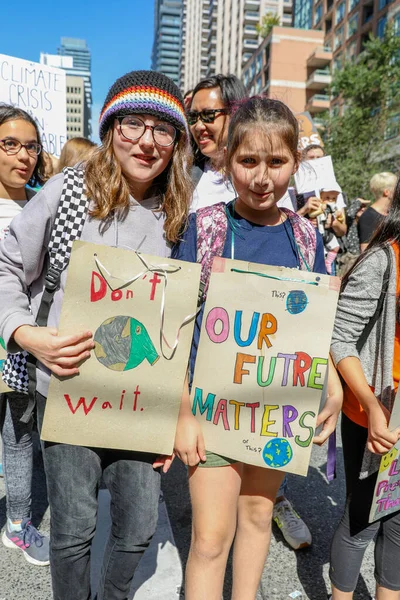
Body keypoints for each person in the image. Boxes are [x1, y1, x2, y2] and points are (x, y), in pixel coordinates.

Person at [0, 70, 192, 600]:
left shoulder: (184, 214)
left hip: (141, 401)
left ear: (177, 143)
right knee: (73, 528)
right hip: (65, 389)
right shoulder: (68, 192)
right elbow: (6, 266)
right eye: (133, 123)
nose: (146, 139)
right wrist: (24, 333)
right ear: (111, 128)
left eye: (163, 129)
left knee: (136, 529)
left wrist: (178, 408)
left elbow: (192, 313)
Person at [173, 96, 343, 599]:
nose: (262, 177)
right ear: (227, 160)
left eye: (277, 162)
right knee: (208, 540)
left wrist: (330, 386)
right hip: (211, 409)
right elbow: (177, 328)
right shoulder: (204, 229)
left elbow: (319, 325)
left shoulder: (308, 239)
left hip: (276, 411)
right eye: (248, 161)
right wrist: (182, 411)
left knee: (256, 516)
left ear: (296, 162)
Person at [329, 174, 400, 600]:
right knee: (364, 517)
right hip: (377, 417)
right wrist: (372, 406)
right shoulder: (382, 261)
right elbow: (340, 338)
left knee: (399, 523)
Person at [0, 103, 50, 566]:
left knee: (18, 435)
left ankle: (18, 523)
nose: (23, 155)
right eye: (10, 144)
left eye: (31, 146)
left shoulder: (44, 203)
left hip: (20, 346)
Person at [187, 74, 246, 212]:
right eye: (193, 117)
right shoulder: (184, 176)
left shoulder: (261, 176)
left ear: (235, 114)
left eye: (208, 115)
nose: (199, 126)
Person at [358, 172, 397, 252]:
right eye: (396, 188)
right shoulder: (368, 217)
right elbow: (365, 250)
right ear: (387, 192)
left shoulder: (392, 213)